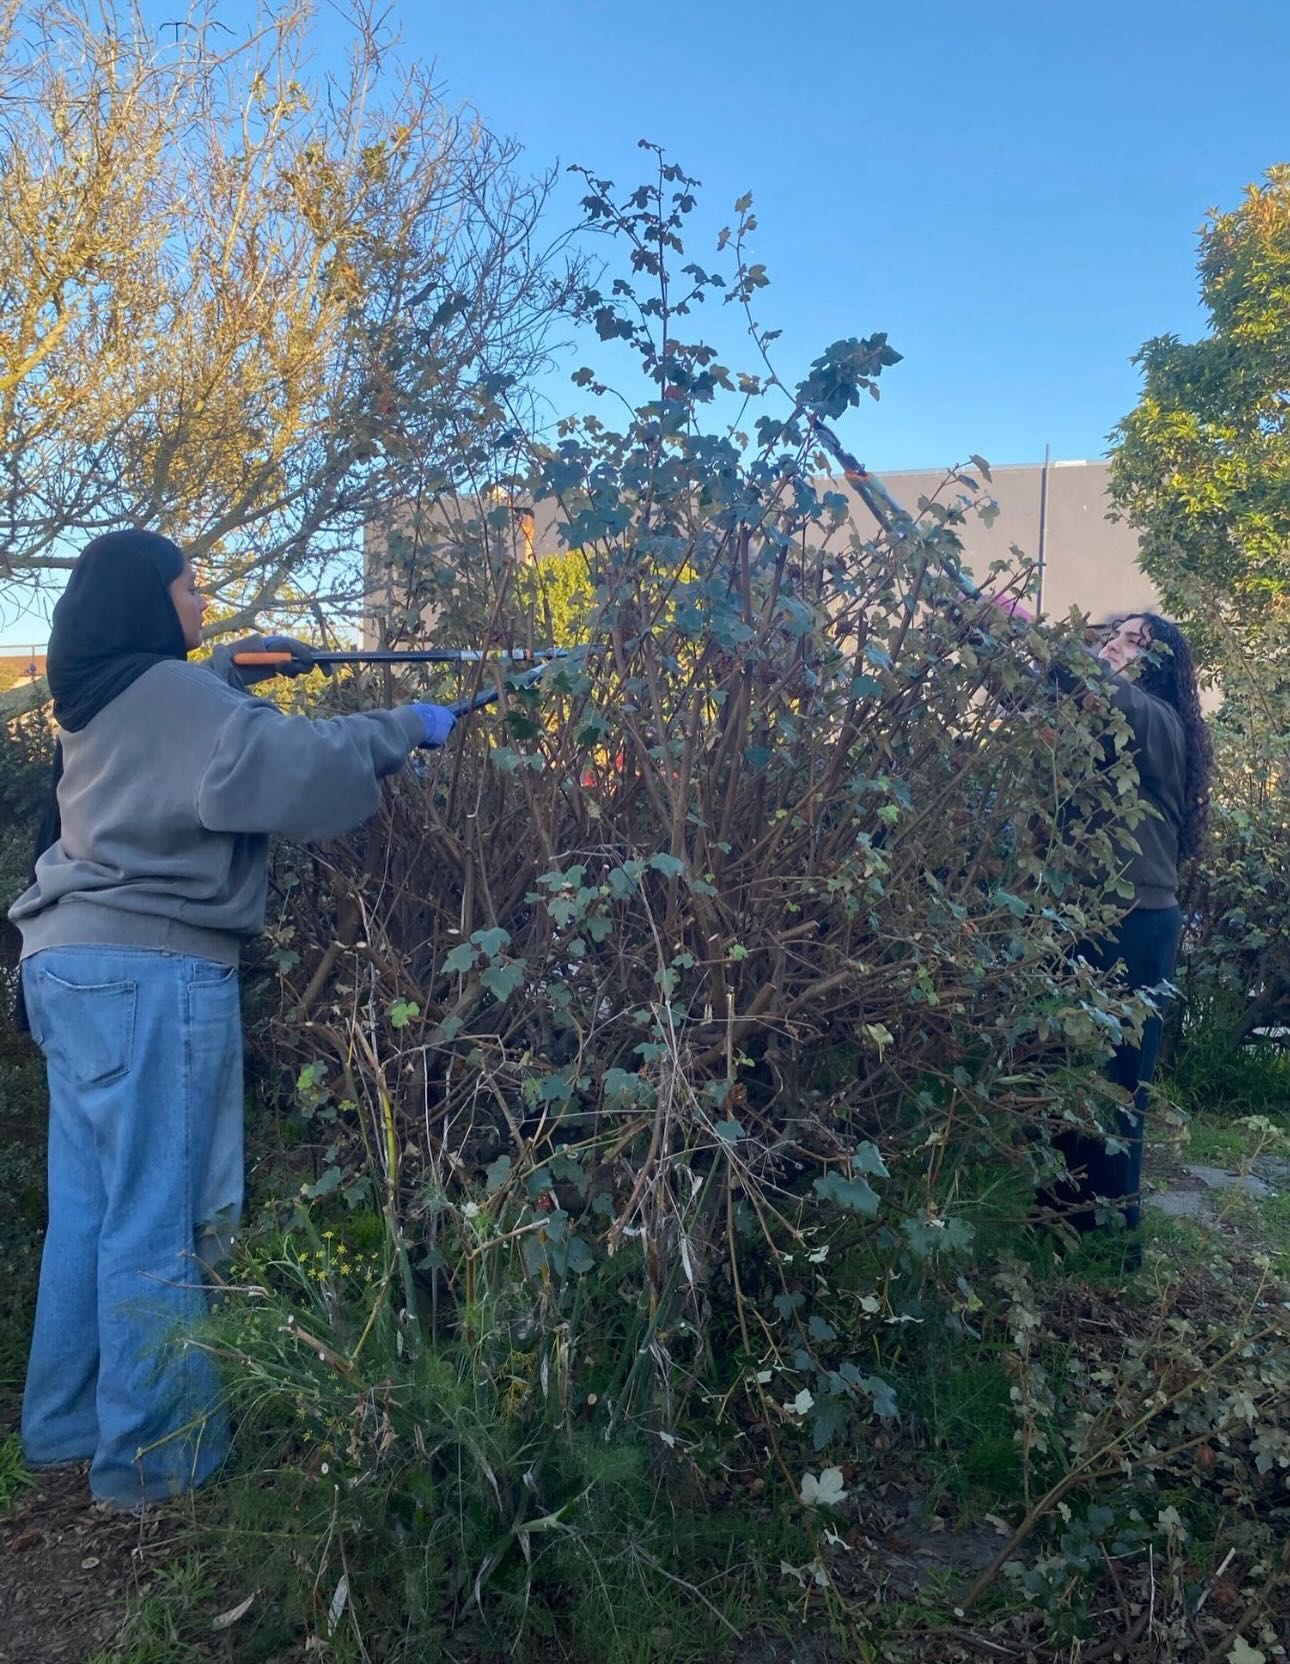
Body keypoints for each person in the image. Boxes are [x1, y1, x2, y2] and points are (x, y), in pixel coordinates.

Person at [8, 529, 457, 1509]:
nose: (203, 604)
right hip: (151, 969)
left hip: (69, 965)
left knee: (90, 1206)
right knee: (157, 1214)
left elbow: (193, 734)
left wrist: (224, 671)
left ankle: (66, 1426)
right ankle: (158, 1466)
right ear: (147, 601)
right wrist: (403, 726)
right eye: (190, 589)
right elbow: (283, 765)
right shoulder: (171, 696)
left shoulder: (98, 697)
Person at [990, 602, 1213, 1245]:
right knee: (1059, 1069)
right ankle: (1056, 1221)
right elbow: (1024, 696)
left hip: (1139, 925)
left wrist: (1027, 623)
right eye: (1113, 636)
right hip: (1075, 918)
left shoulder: (1160, 723)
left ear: (1163, 670)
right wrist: (975, 622)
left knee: (1115, 1083)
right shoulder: (1094, 724)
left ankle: (1112, 1238)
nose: (1117, 646)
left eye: (1136, 642)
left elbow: (1102, 689)